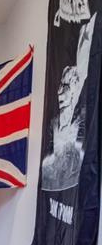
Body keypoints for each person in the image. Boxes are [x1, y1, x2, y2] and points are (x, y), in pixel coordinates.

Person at [42, 13, 95, 191]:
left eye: (64, 87)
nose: (59, 92)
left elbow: (82, 70)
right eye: (60, 86)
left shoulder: (80, 120)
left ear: (74, 90)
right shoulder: (54, 124)